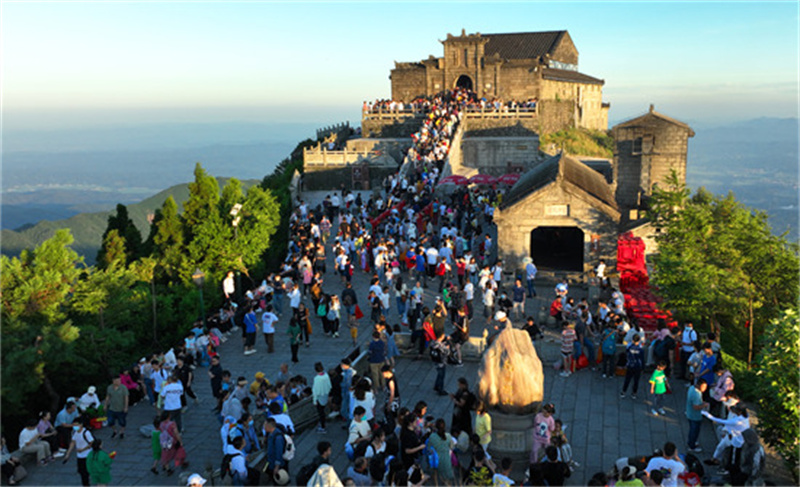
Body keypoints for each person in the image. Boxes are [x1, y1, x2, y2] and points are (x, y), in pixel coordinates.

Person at [62, 415, 94, 486]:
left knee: (84, 473)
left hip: (87, 455)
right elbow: (73, 442)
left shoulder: (86, 433)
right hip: (80, 456)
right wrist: (68, 454)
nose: (74, 426)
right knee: (81, 471)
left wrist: (83, 449)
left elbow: (91, 443)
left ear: (81, 424)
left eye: (76, 425)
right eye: (73, 425)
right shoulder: (75, 433)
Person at [427, 418, 455, 485]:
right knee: (448, 479)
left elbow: (429, 449)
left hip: (436, 459)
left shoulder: (432, 436)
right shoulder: (448, 436)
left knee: (436, 474)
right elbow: (452, 446)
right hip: (446, 459)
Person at [685, 379, 709, 453]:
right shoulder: (696, 394)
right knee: (694, 431)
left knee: (692, 430)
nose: (705, 389)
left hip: (689, 413)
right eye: (703, 387)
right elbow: (695, 407)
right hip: (695, 416)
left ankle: (691, 442)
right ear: (699, 385)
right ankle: (692, 446)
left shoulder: (692, 388)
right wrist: (704, 405)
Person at [104, 375, 129, 440]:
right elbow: (108, 397)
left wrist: (126, 407)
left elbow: (126, 397)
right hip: (112, 408)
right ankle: (115, 431)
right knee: (110, 421)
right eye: (117, 380)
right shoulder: (109, 388)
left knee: (122, 422)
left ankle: (121, 432)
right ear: (113, 381)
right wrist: (105, 405)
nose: (119, 382)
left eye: (119, 380)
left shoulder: (123, 388)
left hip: (121, 408)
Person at [620, 334, 645, 399]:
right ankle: (634, 393)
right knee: (636, 381)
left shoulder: (629, 347)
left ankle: (623, 392)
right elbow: (642, 359)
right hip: (637, 366)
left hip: (630, 365)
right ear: (639, 340)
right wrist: (643, 368)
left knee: (627, 379)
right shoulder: (640, 349)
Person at [312, 362, 332, 433]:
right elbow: (329, 386)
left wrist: (314, 400)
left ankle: (322, 427)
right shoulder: (326, 375)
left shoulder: (317, 378)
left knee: (320, 413)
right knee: (322, 411)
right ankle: (323, 424)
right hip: (325, 395)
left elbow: (315, 391)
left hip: (319, 397)